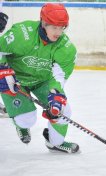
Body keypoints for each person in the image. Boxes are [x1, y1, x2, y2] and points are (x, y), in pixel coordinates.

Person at [0, 3, 79, 153]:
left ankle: (54, 142)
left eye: (62, 27)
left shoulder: (66, 48)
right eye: (54, 27)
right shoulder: (21, 35)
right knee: (26, 119)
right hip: (14, 80)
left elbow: (59, 76)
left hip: (43, 81)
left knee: (63, 111)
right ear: (43, 23)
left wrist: (56, 94)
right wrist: (2, 70)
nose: (58, 32)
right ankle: (20, 124)